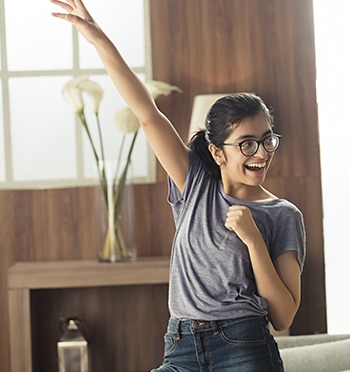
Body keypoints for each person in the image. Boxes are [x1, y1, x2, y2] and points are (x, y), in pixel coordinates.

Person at [51, 1, 306, 371]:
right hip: (181, 344)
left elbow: (283, 317)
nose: (262, 153)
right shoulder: (196, 185)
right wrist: (99, 40)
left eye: (268, 140)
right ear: (218, 152)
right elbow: (147, 113)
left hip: (244, 346)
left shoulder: (283, 215)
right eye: (247, 143)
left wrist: (253, 241)